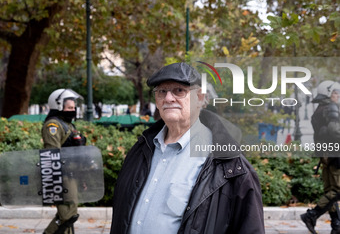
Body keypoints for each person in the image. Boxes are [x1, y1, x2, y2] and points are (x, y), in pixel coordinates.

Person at [110, 62, 264, 234]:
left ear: (200, 98)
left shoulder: (230, 164)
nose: (168, 98)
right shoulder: (140, 150)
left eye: (179, 91)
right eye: (162, 91)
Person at [42, 88, 86, 234]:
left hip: (71, 174)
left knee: (68, 214)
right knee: (68, 214)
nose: (72, 110)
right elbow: (52, 153)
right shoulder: (53, 125)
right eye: (69, 108)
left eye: (73, 108)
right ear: (58, 106)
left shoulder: (68, 125)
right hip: (60, 175)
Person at [300, 80, 340, 234]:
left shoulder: (320, 108)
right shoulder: (330, 108)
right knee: (336, 191)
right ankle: (312, 215)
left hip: (326, 156)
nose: (337, 95)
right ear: (328, 94)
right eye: (334, 92)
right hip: (334, 156)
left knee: (330, 190)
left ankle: (336, 226)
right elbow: (335, 131)